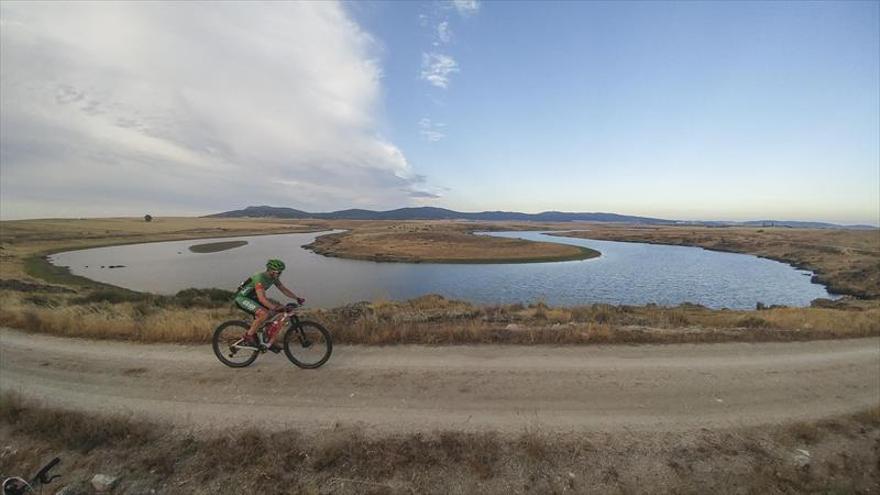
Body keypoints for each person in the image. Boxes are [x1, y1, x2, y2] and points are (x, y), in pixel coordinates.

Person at [235, 259, 304, 352]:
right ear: (270, 270)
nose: (279, 274)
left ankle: (267, 340)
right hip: (243, 298)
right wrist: (274, 307)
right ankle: (248, 336)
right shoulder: (259, 278)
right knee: (264, 314)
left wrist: (296, 298)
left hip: (254, 298)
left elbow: (283, 289)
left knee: (277, 312)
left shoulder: (273, 278)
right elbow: (262, 298)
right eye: (277, 272)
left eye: (280, 272)